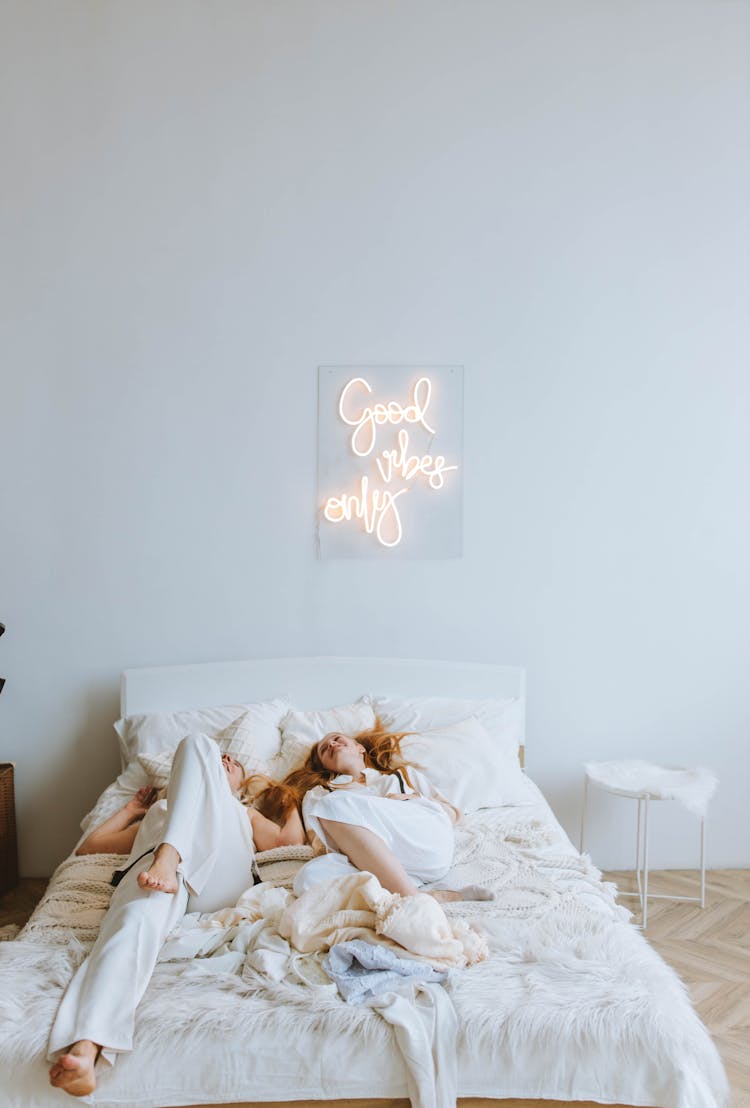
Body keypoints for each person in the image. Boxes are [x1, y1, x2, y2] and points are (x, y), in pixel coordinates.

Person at [48, 732, 305, 1098]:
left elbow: (288, 844)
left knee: (199, 742)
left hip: (215, 880)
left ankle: (169, 855)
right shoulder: (160, 810)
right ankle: (86, 1050)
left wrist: (291, 800)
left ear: (240, 785)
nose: (225, 762)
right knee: (129, 925)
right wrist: (130, 811)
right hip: (158, 876)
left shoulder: (241, 810)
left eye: (234, 764)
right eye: (221, 760)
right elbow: (90, 847)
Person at [254, 724, 487, 904]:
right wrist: (289, 800)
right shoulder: (319, 794)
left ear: (360, 748)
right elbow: (321, 846)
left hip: (424, 845)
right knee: (307, 880)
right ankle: (415, 891)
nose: (332, 745)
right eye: (325, 749)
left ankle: (412, 899)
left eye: (337, 739)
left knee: (333, 805)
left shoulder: (401, 776)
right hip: (377, 860)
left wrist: (413, 799)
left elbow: (454, 815)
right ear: (326, 766)